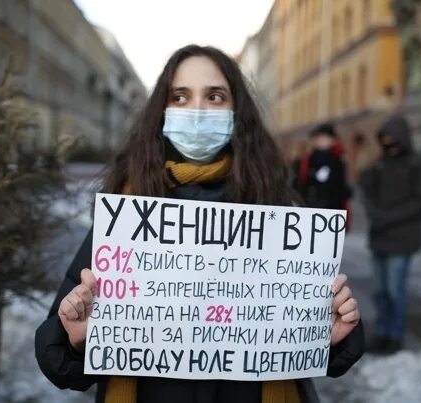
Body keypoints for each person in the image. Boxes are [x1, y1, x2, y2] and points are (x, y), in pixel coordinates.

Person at [35, 45, 364, 403]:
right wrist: (77, 339)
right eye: (180, 96)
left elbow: (313, 338)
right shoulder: (127, 216)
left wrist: (329, 334)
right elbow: (58, 353)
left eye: (215, 96)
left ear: (237, 113)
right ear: (161, 111)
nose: (197, 111)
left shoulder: (277, 212)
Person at [359, 115, 421, 354]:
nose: (388, 142)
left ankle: (395, 335)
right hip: (380, 237)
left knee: (394, 290)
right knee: (379, 291)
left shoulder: (418, 163)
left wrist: (386, 218)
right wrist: (366, 170)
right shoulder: (380, 163)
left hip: (402, 237)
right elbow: (367, 193)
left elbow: (419, 202)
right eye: (384, 138)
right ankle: (382, 332)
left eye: (391, 137)